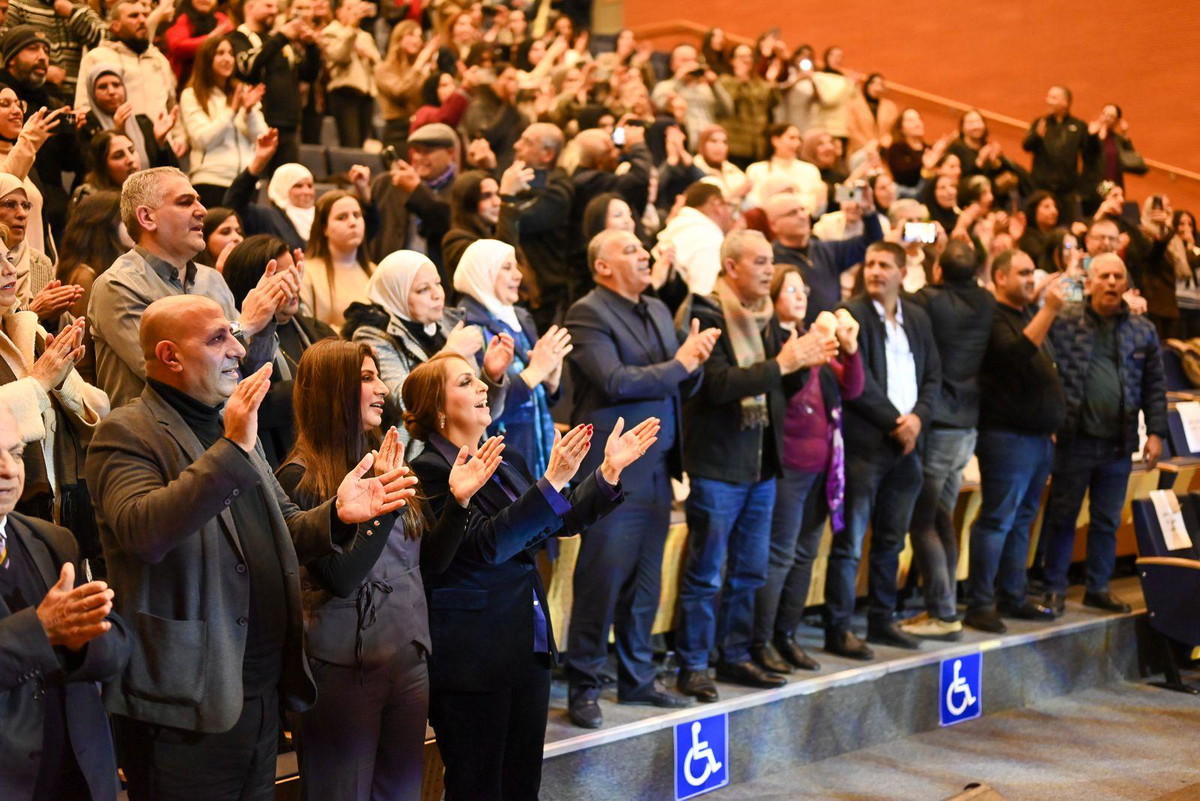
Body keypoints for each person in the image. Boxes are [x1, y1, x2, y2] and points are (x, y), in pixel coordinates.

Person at [87, 293, 417, 801]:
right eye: (218, 338)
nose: (239, 350)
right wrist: (232, 447)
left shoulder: (235, 427)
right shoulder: (126, 431)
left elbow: (285, 525)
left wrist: (337, 513)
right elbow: (143, 532)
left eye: (234, 336)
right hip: (186, 702)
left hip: (259, 689)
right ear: (171, 356)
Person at [403, 350, 657, 800]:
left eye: (478, 379)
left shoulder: (507, 459)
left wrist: (606, 473)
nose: (483, 386)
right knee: (478, 787)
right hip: (473, 656)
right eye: (465, 382)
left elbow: (555, 521)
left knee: (523, 785)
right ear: (438, 411)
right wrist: (551, 481)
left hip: (526, 643)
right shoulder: (428, 473)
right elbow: (488, 545)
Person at [562, 229, 721, 728]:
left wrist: (694, 363)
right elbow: (615, 381)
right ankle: (584, 685)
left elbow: (677, 383)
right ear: (603, 266)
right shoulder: (587, 312)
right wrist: (681, 363)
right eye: (630, 249)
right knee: (602, 580)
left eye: (642, 247)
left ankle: (637, 678)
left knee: (645, 583)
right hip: (613, 470)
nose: (644, 254)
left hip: (658, 466)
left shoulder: (655, 307)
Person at [675, 229, 837, 702]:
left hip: (762, 464)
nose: (770, 269)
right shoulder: (704, 311)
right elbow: (717, 386)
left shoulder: (767, 317)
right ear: (731, 267)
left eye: (770, 261)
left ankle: (735, 654)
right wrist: (785, 363)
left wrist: (805, 362)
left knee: (749, 570)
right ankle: (693, 664)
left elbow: (778, 390)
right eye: (760, 261)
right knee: (706, 574)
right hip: (718, 464)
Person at [277, 340, 432, 801]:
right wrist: (382, 509)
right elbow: (341, 578)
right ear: (333, 391)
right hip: (342, 668)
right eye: (367, 378)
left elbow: (424, 557)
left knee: (402, 793)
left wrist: (460, 504)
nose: (382, 388)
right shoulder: (299, 477)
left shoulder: (386, 459)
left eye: (379, 376)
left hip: (406, 655)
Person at [0, 403, 130, 801]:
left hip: (81, 776)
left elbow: (115, 648)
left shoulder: (52, 540)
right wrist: (40, 631)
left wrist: (84, 640)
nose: (9, 471)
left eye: (16, 453)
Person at [87, 166, 297, 407]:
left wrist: (264, 321)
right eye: (185, 202)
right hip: (160, 430)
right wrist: (244, 326)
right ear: (147, 218)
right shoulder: (117, 286)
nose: (202, 210)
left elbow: (250, 374)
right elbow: (173, 376)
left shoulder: (212, 280)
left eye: (198, 200)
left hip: (230, 423)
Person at [1038, 253, 1168, 616]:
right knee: (1062, 517)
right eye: (1104, 276)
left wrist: (1156, 433)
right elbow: (1041, 371)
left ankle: (1098, 588)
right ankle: (1053, 589)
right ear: (1090, 283)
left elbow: (1154, 385)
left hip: (1118, 442)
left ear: (1126, 283)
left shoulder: (1143, 330)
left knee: (1107, 521)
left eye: (1117, 276)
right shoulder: (1064, 321)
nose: (1111, 282)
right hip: (1074, 439)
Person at [829, 241, 941, 659]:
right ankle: (839, 628)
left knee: (892, 541)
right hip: (866, 446)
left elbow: (933, 376)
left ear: (902, 272)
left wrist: (918, 420)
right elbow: (856, 385)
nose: (875, 271)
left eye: (884, 265)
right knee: (850, 543)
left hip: (909, 446)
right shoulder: (850, 313)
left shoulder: (917, 316)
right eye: (870, 264)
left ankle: (881, 619)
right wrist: (897, 422)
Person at [750, 265, 862, 675]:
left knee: (805, 554)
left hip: (823, 466)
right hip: (788, 466)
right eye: (790, 289)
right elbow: (786, 395)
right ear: (772, 296)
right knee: (779, 555)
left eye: (803, 289)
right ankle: (761, 641)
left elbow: (852, 388)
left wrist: (849, 348)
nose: (800, 296)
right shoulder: (771, 342)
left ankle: (787, 635)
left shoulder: (811, 341)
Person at [963, 250, 1063, 632]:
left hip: (1037, 438)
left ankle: (1012, 595)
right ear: (1000, 277)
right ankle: (980, 604)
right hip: (1007, 437)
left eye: (1032, 272)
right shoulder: (992, 315)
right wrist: (1049, 310)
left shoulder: (1025, 314)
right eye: (1022, 272)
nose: (1030, 279)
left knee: (1021, 520)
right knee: (997, 520)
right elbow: (1014, 356)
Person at [901, 241, 994, 641]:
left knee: (924, 521)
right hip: (967, 426)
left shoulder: (929, 301)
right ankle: (945, 605)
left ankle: (942, 612)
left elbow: (895, 297)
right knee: (943, 517)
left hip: (939, 425)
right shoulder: (987, 301)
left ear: (939, 271)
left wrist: (914, 256)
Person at [342, 248, 512, 455]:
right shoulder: (374, 334)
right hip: (419, 455)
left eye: (438, 283)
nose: (437, 294)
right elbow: (403, 401)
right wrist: (451, 351)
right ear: (397, 294)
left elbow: (484, 410)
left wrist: (492, 375)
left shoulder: (450, 324)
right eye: (423, 289)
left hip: (469, 447)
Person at [0, 231, 108, 530]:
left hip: (62, 505)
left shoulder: (27, 328)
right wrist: (39, 382)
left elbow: (99, 409)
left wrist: (60, 382)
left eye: (8, 259)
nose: (9, 270)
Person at [454, 238, 567, 477]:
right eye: (506, 267)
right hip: (502, 453)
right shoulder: (467, 325)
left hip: (537, 441)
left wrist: (550, 381)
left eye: (516, 266)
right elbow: (482, 401)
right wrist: (535, 372)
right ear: (483, 273)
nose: (518, 275)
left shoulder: (520, 317)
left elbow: (537, 393)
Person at [221, 234, 334, 467]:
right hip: (277, 460)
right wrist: (321, 388)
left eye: (293, 273)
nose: (293, 285)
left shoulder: (318, 330)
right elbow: (254, 404)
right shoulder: (236, 340)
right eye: (281, 278)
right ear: (253, 284)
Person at [74, 0, 184, 156]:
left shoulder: (159, 59)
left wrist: (179, 137)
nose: (142, 20)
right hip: (119, 151)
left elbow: (172, 105)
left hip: (160, 147)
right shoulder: (97, 57)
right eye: (134, 16)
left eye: (145, 15)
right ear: (115, 26)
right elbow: (83, 108)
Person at [766, 191, 883, 325]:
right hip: (794, 334)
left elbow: (873, 243)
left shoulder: (826, 250)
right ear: (773, 225)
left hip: (832, 331)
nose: (802, 216)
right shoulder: (770, 260)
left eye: (803, 210)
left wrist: (868, 211)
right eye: (792, 213)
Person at [231, 0, 321, 168]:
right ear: (250, 7)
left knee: (286, 180)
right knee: (257, 179)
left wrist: (311, 47)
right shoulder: (238, 37)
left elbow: (308, 75)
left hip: (289, 125)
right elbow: (247, 67)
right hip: (257, 124)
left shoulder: (280, 40)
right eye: (268, 6)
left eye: (275, 7)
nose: (274, 11)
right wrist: (281, 36)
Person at [180, 34, 267, 209]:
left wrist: (249, 111)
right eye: (220, 53)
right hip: (212, 180)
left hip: (247, 180)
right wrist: (232, 111)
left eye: (230, 53)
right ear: (207, 59)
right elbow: (202, 139)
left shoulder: (242, 91)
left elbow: (262, 139)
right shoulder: (192, 95)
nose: (227, 59)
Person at [569, 126, 653, 298]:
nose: (617, 152)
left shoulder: (595, 177)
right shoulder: (588, 181)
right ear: (600, 159)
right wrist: (636, 145)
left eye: (629, 215)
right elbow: (639, 179)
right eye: (611, 149)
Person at [507, 122, 574, 331]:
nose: (516, 145)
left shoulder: (557, 190)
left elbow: (518, 222)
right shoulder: (523, 181)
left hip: (546, 295)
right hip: (519, 288)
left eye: (527, 142)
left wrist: (507, 197)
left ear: (547, 154)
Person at [366, 122, 457, 275]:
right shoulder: (387, 183)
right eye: (416, 151)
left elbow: (448, 223)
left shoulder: (460, 188)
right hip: (391, 274)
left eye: (427, 152)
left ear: (450, 154)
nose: (418, 158)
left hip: (436, 278)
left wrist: (416, 191)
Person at [79, 64, 177, 178]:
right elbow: (91, 171)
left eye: (116, 85)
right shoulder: (86, 125)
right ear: (92, 93)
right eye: (102, 87)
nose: (111, 91)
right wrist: (117, 133)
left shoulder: (143, 123)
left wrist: (161, 142)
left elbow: (169, 173)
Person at [300, 189, 373, 331]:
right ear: (324, 228)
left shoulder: (375, 271)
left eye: (357, 215)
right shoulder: (307, 273)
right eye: (342, 217)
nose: (353, 222)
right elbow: (306, 330)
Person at [55, 190, 131, 325]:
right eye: (125, 219)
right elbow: (83, 334)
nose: (135, 225)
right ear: (104, 224)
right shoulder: (85, 277)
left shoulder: (104, 269)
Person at [2, 0, 104, 95]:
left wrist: (72, 13)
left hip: (75, 93)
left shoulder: (81, 8)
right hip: (35, 92)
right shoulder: (20, 5)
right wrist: (43, 71)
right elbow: (5, 42)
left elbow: (104, 43)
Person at [655, 181, 735, 296]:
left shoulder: (683, 225)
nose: (732, 214)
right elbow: (704, 295)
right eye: (729, 205)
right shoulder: (707, 238)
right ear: (717, 204)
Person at [0, 173, 61, 322]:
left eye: (26, 206)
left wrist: (56, 317)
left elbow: (48, 328)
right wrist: (31, 311)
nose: (22, 214)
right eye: (10, 204)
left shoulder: (41, 262)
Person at [319, 0, 380, 148]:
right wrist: (351, 30)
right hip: (344, 92)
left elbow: (379, 63)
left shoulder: (364, 35)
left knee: (362, 143)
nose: (354, 12)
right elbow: (339, 56)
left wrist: (370, 57)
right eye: (349, 8)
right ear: (338, 11)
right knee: (350, 142)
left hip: (366, 93)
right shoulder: (330, 32)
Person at [1022, 85, 1086, 223]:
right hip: (1041, 189)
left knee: (1066, 226)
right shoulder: (1040, 123)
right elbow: (1026, 146)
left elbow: (1089, 154)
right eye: (1048, 97)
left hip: (1067, 192)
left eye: (1053, 98)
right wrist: (1036, 136)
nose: (1048, 101)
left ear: (1065, 102)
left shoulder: (1079, 126)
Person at [441, 168, 519, 279]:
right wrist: (508, 200)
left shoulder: (494, 232)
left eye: (498, 194)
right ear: (468, 203)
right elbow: (501, 261)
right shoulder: (455, 241)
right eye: (486, 196)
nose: (497, 202)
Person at [650, 43, 730, 149]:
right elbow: (659, 104)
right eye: (684, 60)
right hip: (682, 144)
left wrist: (715, 86)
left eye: (693, 60)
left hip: (709, 146)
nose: (690, 64)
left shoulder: (706, 88)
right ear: (672, 65)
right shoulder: (665, 85)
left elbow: (727, 110)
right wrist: (678, 78)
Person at [375, 21, 437, 149]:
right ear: (398, 39)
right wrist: (420, 63)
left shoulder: (423, 71)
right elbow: (400, 92)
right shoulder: (383, 69)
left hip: (422, 128)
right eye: (411, 35)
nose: (417, 40)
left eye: (419, 36)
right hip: (398, 132)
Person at [715, 44, 778, 168]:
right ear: (732, 61)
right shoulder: (725, 80)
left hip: (756, 145)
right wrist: (739, 80)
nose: (747, 60)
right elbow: (726, 104)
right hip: (734, 144)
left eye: (749, 56)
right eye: (742, 57)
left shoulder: (760, 83)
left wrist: (772, 82)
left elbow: (773, 102)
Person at [745, 123, 825, 213]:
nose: (797, 143)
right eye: (792, 138)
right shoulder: (757, 170)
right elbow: (752, 202)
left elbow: (816, 208)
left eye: (799, 139)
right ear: (775, 141)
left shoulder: (810, 170)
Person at [163, 0, 233, 85]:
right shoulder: (181, 17)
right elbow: (177, 46)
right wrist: (210, 38)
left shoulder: (221, 19)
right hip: (184, 80)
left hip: (214, 81)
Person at [693, 125, 752, 208]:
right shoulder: (694, 169)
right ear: (702, 144)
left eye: (724, 142)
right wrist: (735, 195)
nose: (719, 147)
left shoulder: (731, 169)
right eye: (714, 141)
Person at [847, 72, 899, 153]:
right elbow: (852, 129)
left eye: (880, 84)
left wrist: (884, 143)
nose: (877, 87)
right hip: (860, 150)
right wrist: (868, 145)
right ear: (867, 85)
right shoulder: (855, 105)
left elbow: (895, 128)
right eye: (873, 83)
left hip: (883, 150)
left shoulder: (890, 106)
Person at [885, 108, 928, 189]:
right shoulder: (896, 149)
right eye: (911, 120)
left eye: (919, 119)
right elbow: (903, 177)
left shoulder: (928, 149)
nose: (917, 123)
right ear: (901, 128)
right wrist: (925, 165)